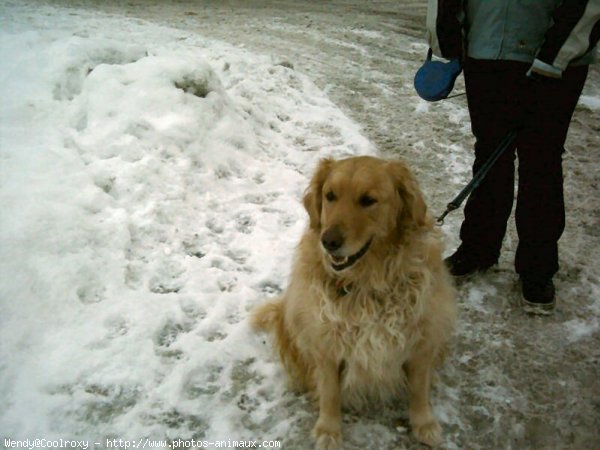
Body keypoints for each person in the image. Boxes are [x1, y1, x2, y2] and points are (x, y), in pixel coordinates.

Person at [425, 0, 600, 313]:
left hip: (556, 59)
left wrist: (555, 57)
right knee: (489, 153)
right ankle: (478, 248)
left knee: (542, 161)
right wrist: (446, 43)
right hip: (487, 50)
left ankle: (538, 266)